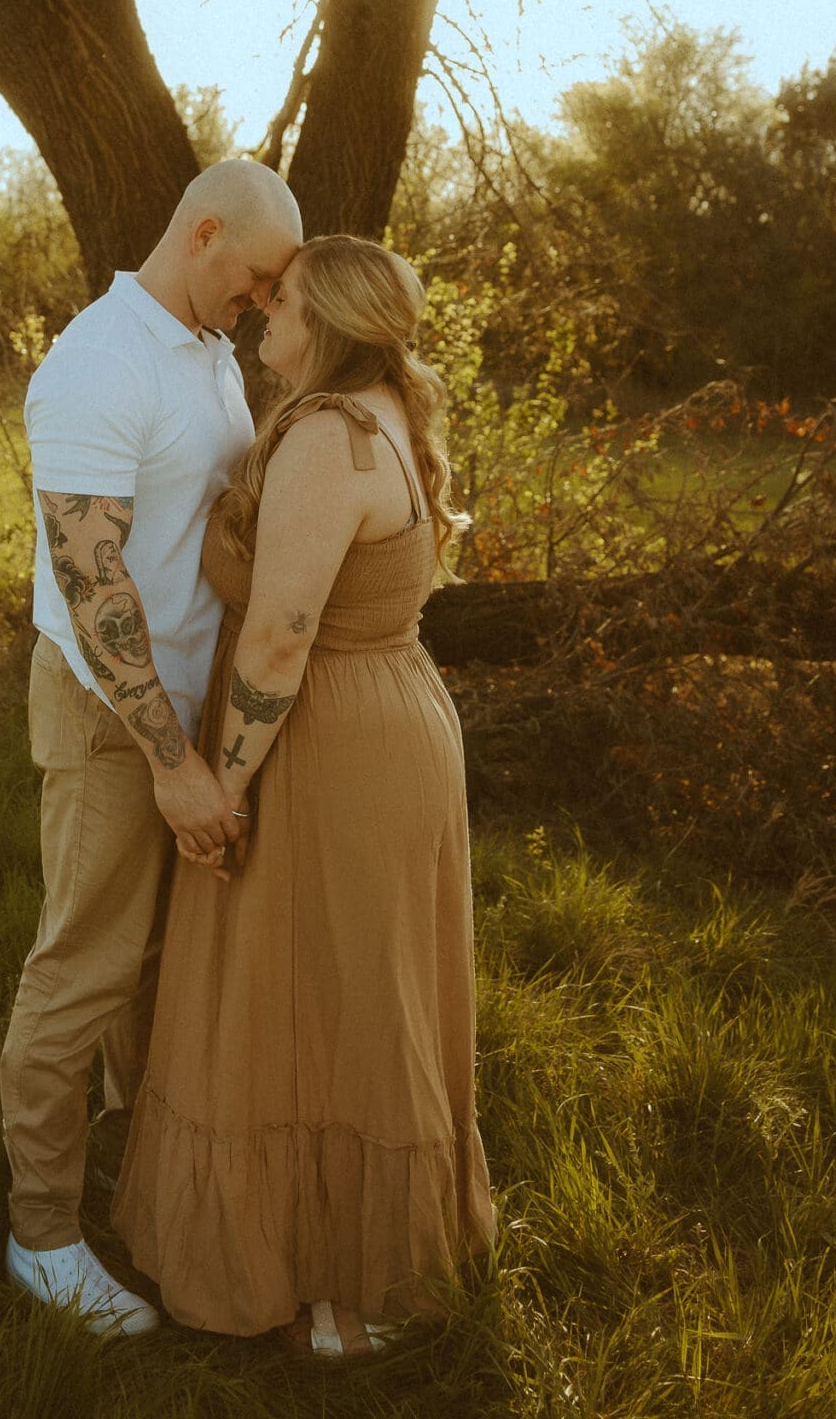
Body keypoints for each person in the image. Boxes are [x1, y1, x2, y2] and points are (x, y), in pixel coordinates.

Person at [111, 233, 495, 1360]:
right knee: (351, 987)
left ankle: (357, 1287)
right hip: (383, 715)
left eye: (278, 303)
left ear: (321, 321)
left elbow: (280, 638)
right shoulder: (382, 412)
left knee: (334, 999)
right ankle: (332, 1256)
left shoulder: (330, 437)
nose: (261, 316)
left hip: (332, 739)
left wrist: (221, 787)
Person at [0, 158, 304, 1338]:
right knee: (82, 968)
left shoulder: (208, 350)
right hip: (112, 713)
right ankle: (42, 1235)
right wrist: (173, 761)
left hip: (193, 701)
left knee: (157, 968)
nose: (265, 304)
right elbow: (95, 585)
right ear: (204, 231)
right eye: (259, 278)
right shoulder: (98, 364)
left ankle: (142, 1188)